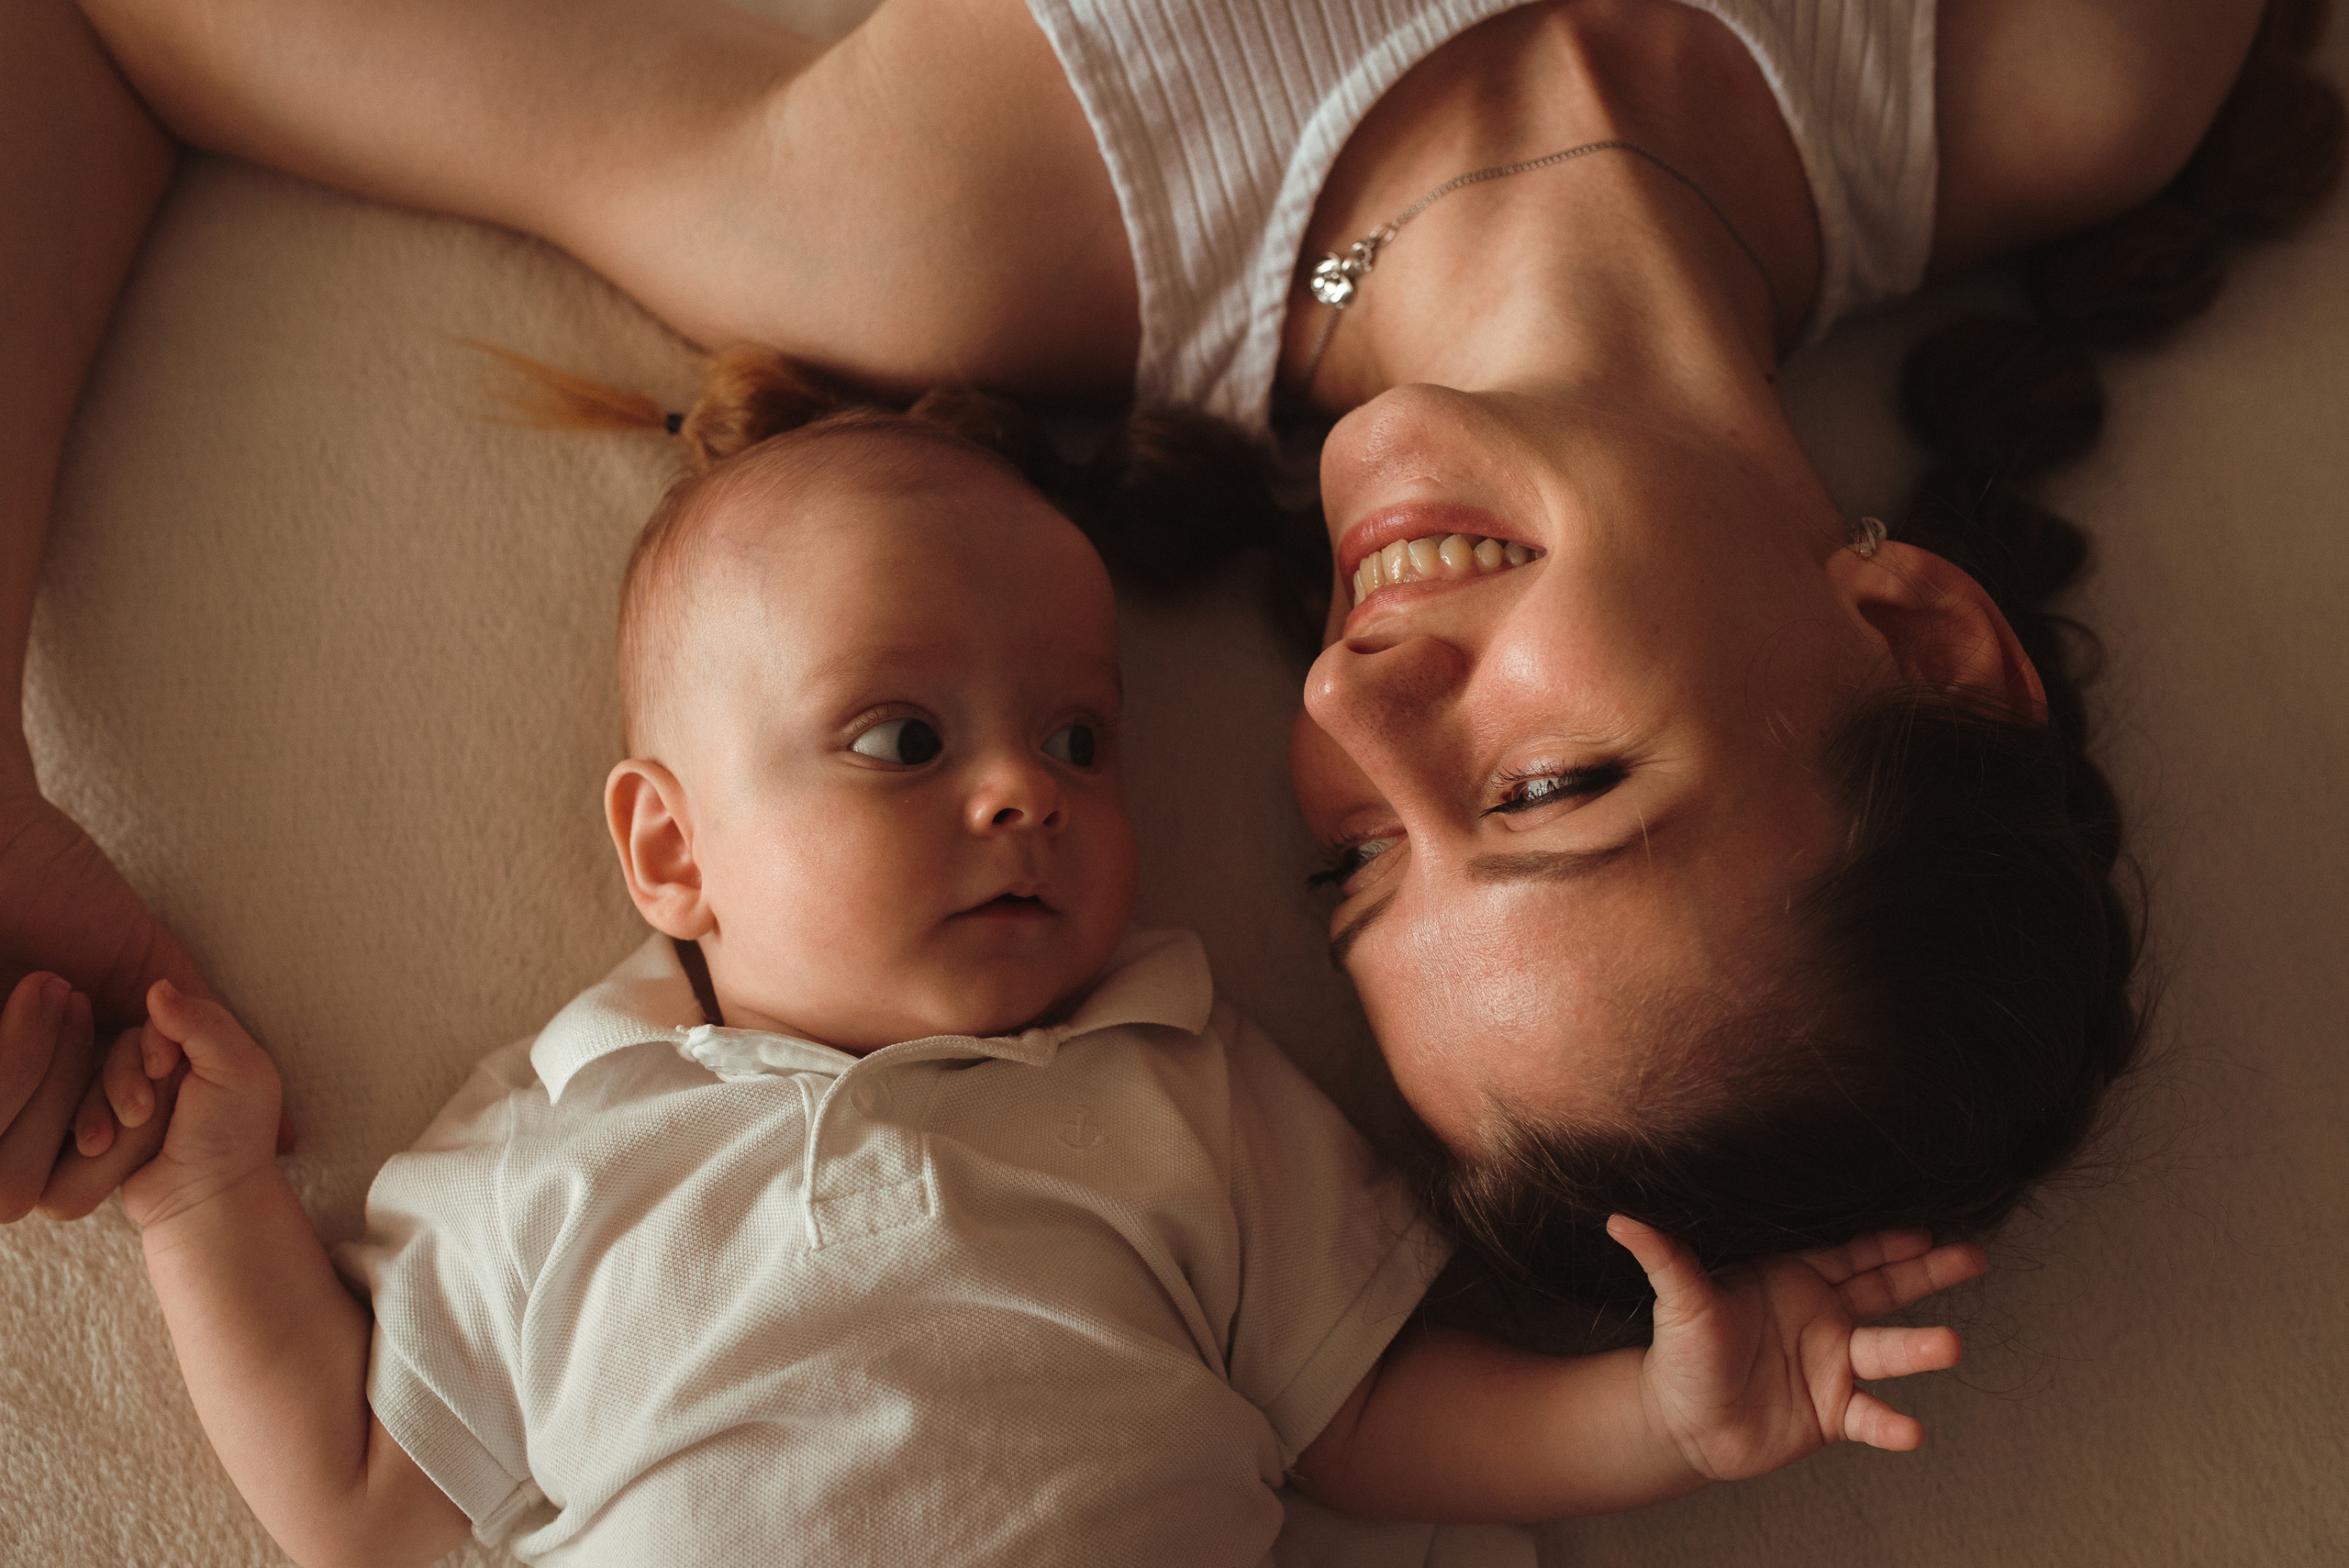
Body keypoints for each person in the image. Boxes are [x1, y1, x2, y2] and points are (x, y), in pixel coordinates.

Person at [3, 0, 2339, 1308]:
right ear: (1923, 634)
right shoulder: (2062, 59)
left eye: (1354, 874)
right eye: (1548, 793)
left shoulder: (931, 218)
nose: (1344, 708)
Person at [77, 404, 1982, 1565]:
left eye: (1081, 737)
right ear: (671, 855)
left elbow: (1353, 1419)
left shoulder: (1178, 1086)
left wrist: (1655, 1427)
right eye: (899, 739)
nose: (1022, 791)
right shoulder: (558, 1152)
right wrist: (201, 1198)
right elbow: (349, 1503)